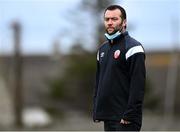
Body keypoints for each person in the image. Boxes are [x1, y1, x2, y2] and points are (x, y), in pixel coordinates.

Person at [93, 5, 146, 131]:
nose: (110, 23)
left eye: (114, 19)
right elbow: (98, 82)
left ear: (124, 22)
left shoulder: (133, 48)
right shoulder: (102, 50)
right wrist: (97, 110)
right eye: (107, 19)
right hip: (108, 117)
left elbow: (138, 86)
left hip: (126, 119)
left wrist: (130, 114)